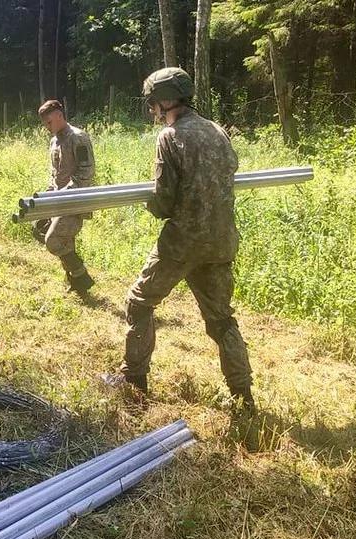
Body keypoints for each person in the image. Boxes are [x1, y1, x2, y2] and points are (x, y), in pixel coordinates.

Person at [102, 67, 255, 408]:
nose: (152, 109)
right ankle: (243, 396)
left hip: (182, 242)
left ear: (165, 100)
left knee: (140, 302)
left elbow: (165, 200)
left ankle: (134, 381)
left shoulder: (170, 137)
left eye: (153, 102)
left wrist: (151, 203)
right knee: (221, 319)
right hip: (220, 240)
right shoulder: (217, 131)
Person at [35, 100, 95, 293]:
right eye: (45, 124)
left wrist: (65, 193)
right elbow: (55, 175)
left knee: (54, 240)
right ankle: (76, 283)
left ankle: (81, 276)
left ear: (60, 116)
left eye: (49, 122)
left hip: (75, 200)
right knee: (42, 230)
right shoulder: (54, 140)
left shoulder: (78, 137)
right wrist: (47, 197)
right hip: (57, 200)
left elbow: (86, 171)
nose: (47, 127)